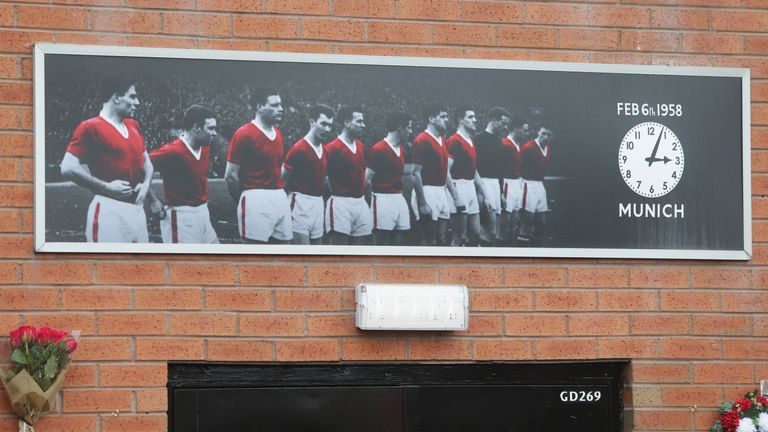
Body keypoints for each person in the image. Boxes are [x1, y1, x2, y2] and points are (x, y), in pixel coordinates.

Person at [60, 73, 153, 243]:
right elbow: (67, 167)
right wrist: (105, 188)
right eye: (132, 96)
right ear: (116, 97)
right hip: (109, 211)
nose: (137, 103)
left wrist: (146, 185)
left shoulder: (133, 126)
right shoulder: (90, 127)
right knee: (108, 268)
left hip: (138, 212)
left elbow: (147, 162)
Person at [225, 87, 292, 244]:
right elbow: (230, 176)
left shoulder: (279, 134)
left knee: (284, 251)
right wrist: (244, 198)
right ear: (259, 106)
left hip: (279, 196)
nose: (281, 109)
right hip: (255, 198)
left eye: (281, 105)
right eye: (274, 105)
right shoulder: (244, 133)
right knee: (255, 253)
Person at [148, 105, 219, 244]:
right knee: (185, 264)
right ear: (196, 128)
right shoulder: (172, 151)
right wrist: (153, 201)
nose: (215, 133)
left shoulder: (205, 148)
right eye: (210, 128)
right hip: (181, 219)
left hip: (204, 214)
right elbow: (139, 168)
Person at [282, 104, 334, 245]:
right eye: (323, 124)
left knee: (316, 255)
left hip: (317, 204)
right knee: (302, 256)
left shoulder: (325, 151)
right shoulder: (299, 149)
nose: (327, 129)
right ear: (312, 122)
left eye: (330, 125)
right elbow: (282, 180)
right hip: (299, 205)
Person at [411, 104, 459, 246]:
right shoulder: (422, 139)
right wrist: (422, 202)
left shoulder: (442, 140)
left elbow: (445, 173)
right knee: (429, 241)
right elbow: (415, 173)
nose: (447, 120)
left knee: (441, 239)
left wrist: (455, 197)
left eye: (447, 117)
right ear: (431, 119)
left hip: (441, 191)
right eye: (443, 116)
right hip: (427, 191)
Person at [324, 106, 372, 245]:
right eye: (359, 122)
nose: (364, 125)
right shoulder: (332, 148)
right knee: (339, 253)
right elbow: (324, 178)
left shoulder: (361, 146)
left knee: (358, 254)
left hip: (360, 202)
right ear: (346, 122)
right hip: (340, 203)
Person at [366, 112, 413, 245]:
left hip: (399, 198)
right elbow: (367, 180)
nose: (411, 131)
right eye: (408, 127)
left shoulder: (402, 150)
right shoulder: (379, 149)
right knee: (381, 243)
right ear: (400, 128)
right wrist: (371, 201)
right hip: (382, 199)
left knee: (398, 241)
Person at [446, 106, 491, 246]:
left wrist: (486, 195)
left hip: (470, 187)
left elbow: (474, 170)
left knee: (476, 235)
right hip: (458, 187)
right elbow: (446, 170)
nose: (475, 120)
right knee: (459, 235)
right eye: (470, 117)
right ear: (460, 120)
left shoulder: (470, 141)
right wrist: (456, 197)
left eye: (474, 117)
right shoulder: (454, 141)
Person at [474, 107, 511, 245]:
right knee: (487, 231)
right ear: (494, 121)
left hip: (495, 186)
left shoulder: (499, 141)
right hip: (483, 184)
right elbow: (473, 168)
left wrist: (501, 193)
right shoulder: (478, 139)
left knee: (494, 233)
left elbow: (499, 170)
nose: (506, 127)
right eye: (503, 123)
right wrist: (479, 191)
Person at [519, 124, 554, 245]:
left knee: (541, 221)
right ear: (538, 133)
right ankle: (522, 249)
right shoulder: (528, 147)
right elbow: (518, 166)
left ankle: (538, 249)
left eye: (548, 134)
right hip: (528, 185)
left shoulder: (548, 148)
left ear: (552, 137)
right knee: (527, 222)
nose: (545, 136)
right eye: (543, 133)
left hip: (540, 185)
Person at [500, 116, 530, 244]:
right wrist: (501, 190)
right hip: (507, 183)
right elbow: (500, 168)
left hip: (516, 183)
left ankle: (511, 246)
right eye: (525, 130)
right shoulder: (505, 144)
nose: (527, 134)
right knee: (506, 221)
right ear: (517, 129)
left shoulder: (518, 145)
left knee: (515, 221)